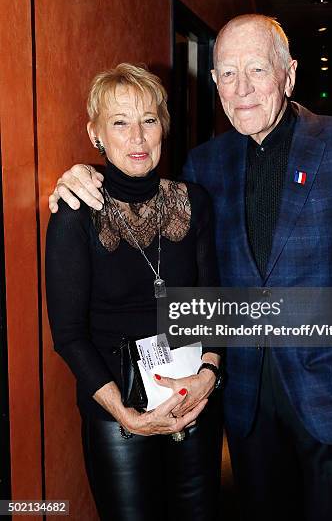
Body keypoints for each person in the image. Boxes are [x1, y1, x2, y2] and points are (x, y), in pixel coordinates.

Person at [48, 16, 332, 521]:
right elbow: (179, 262)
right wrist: (79, 174)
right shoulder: (204, 167)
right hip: (245, 404)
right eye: (227, 73)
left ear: (289, 74)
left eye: (257, 69)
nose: (242, 89)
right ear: (214, 83)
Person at [45, 63, 223, 521]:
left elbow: (211, 302)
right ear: (96, 133)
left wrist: (207, 376)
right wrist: (125, 415)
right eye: (120, 123)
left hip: (193, 399)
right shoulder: (75, 216)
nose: (138, 138)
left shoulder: (193, 201)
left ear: (164, 125)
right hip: (118, 412)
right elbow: (67, 335)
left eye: (148, 120)